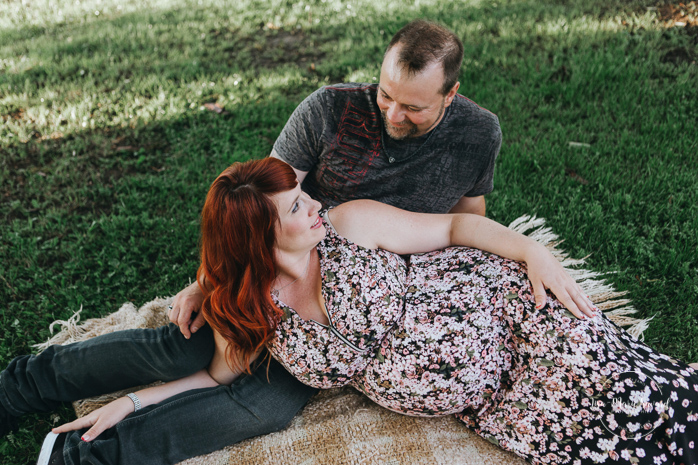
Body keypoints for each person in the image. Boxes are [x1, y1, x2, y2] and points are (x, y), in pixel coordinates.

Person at [0, 19, 503, 465]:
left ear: (450, 94)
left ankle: (86, 456)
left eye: (412, 107)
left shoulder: (478, 134)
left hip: (365, 296)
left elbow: (468, 220)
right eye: (385, 96)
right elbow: (262, 203)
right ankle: (19, 387)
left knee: (268, 405)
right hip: (284, 264)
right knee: (185, 345)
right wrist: (210, 280)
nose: (392, 114)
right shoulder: (328, 111)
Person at [50, 158, 698, 465]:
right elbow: (220, 374)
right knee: (620, 448)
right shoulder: (257, 310)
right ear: (255, 239)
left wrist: (530, 250)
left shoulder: (353, 223)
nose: (312, 207)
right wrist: (134, 402)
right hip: (499, 401)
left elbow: (452, 228)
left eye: (302, 193)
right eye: (294, 207)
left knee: (643, 393)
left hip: (509, 318)